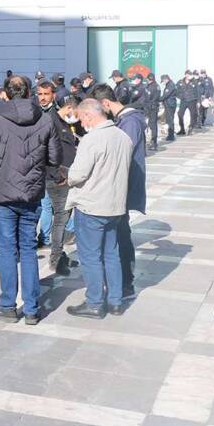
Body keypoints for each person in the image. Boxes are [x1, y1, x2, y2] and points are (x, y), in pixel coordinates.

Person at [0, 76, 61, 324]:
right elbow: (55, 158)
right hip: (30, 193)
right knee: (29, 250)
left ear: (5, 94)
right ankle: (32, 309)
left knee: (8, 252)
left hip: (2, 195)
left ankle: (8, 305)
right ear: (30, 92)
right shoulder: (44, 120)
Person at [64, 98, 133, 319]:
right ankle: (115, 301)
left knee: (91, 256)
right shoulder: (123, 137)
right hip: (115, 206)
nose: (81, 124)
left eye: (82, 119)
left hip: (92, 206)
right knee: (111, 254)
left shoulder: (92, 139)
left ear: (89, 116)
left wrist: (65, 175)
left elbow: (77, 174)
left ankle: (94, 302)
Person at [91, 84, 144, 301]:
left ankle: (125, 283)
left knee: (121, 236)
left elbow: (121, 154)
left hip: (122, 186)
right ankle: (119, 282)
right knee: (118, 234)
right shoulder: (125, 120)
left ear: (105, 104)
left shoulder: (129, 122)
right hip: (120, 185)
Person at [47, 96, 82, 275]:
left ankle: (60, 255)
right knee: (61, 219)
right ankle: (56, 259)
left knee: (64, 217)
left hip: (65, 175)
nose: (76, 117)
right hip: (57, 178)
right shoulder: (51, 121)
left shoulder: (61, 121)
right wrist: (55, 173)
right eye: (76, 112)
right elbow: (46, 149)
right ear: (69, 108)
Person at [35, 80, 58, 248]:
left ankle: (45, 237)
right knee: (47, 204)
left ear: (53, 95)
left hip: (51, 166)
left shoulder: (56, 115)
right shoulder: (34, 112)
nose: (42, 98)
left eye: (46, 94)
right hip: (37, 165)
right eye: (40, 94)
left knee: (47, 204)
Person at [176, 70, 198, 136]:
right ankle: (182, 129)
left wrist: (198, 101)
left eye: (189, 74)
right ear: (185, 75)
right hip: (183, 100)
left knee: (193, 115)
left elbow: (198, 92)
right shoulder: (180, 82)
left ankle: (190, 128)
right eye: (187, 74)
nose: (188, 76)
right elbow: (176, 90)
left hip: (192, 100)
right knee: (180, 114)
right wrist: (179, 96)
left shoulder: (194, 82)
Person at [144, 73, 161, 151]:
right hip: (152, 107)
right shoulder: (155, 86)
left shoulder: (153, 87)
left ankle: (154, 142)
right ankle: (153, 142)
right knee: (152, 125)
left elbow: (149, 98)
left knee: (153, 125)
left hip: (152, 108)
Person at [160, 74, 178, 142]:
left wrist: (158, 99)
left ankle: (171, 135)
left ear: (166, 79)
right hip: (169, 104)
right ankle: (170, 134)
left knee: (170, 120)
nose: (163, 83)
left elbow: (165, 95)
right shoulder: (169, 85)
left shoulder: (170, 85)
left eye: (163, 81)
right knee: (169, 119)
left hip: (170, 105)